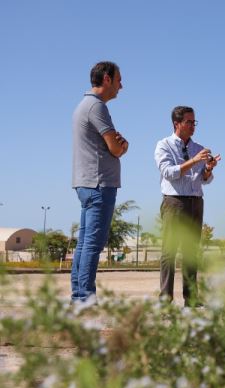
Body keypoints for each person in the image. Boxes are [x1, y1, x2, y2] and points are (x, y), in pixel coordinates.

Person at [71, 61, 129, 304]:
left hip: (86, 183)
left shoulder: (84, 105)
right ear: (107, 79)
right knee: (93, 244)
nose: (121, 86)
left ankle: (79, 296)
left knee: (85, 243)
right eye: (118, 80)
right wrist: (124, 146)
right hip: (99, 183)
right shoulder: (97, 107)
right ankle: (84, 298)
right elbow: (115, 147)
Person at [154, 106, 221, 307]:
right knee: (169, 252)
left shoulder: (199, 148)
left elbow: (204, 180)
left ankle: (191, 299)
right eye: (189, 122)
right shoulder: (163, 145)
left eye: (194, 122)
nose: (193, 126)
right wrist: (194, 161)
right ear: (177, 124)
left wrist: (208, 169)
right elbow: (169, 172)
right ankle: (165, 300)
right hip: (174, 202)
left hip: (195, 201)